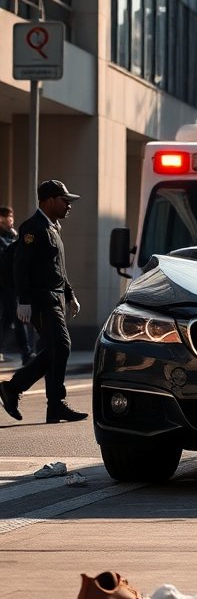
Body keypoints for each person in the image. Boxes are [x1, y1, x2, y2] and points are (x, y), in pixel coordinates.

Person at [0, 181, 89, 423]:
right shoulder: (33, 228)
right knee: (61, 346)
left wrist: (70, 295)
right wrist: (24, 301)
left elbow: (57, 267)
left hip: (56, 298)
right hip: (41, 300)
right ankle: (14, 387)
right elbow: (20, 266)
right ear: (48, 201)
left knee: (52, 349)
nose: (69, 205)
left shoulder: (53, 227)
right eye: (65, 200)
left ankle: (54, 407)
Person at [0, 206, 34, 366]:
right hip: (5, 285)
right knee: (17, 318)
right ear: (1, 219)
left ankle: (26, 354)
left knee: (7, 319)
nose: (11, 221)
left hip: (9, 285)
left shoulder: (9, 236)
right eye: (9, 218)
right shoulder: (4, 238)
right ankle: (26, 354)